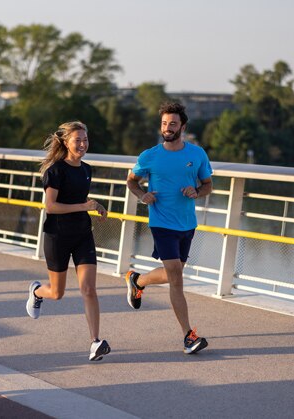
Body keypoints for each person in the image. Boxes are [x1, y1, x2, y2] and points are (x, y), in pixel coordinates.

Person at [125, 102, 213, 354]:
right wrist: (142, 195)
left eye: (173, 124)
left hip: (187, 223)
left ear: (182, 127)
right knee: (176, 278)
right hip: (161, 222)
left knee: (174, 274)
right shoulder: (149, 156)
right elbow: (131, 181)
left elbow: (208, 185)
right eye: (164, 123)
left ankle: (137, 280)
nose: (167, 128)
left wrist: (196, 191)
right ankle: (188, 336)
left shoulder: (197, 154)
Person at [26, 121, 111, 361]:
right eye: (77, 140)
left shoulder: (86, 169)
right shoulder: (55, 170)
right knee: (57, 293)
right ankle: (37, 291)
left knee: (89, 289)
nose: (83, 144)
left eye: (85, 139)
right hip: (57, 236)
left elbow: (78, 199)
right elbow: (51, 206)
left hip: (83, 234)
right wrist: (83, 206)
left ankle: (95, 342)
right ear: (65, 142)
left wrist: (95, 205)